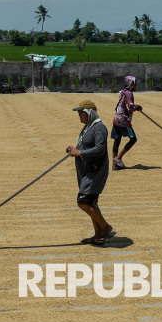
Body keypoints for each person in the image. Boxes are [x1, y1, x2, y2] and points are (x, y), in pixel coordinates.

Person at [66, 100, 115, 245]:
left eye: (81, 112)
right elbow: (86, 144)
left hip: (95, 171)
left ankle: (105, 227)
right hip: (86, 171)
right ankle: (97, 234)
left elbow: (100, 149)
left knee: (83, 202)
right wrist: (73, 149)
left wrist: (79, 152)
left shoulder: (99, 128)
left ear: (89, 113)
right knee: (92, 203)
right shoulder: (89, 127)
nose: (79, 115)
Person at [111, 76, 142, 170]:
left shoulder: (123, 91)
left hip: (116, 119)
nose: (136, 85)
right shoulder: (129, 93)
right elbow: (130, 108)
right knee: (133, 139)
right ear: (131, 84)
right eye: (135, 83)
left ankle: (114, 165)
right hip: (124, 121)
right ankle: (119, 157)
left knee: (117, 141)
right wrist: (138, 107)